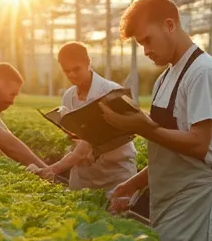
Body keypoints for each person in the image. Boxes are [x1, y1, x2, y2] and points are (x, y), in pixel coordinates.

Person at [102, 0, 212, 241]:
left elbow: (199, 144)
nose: (145, 50)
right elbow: (167, 149)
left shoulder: (203, 73)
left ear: (170, 25)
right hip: (170, 194)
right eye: (141, 44)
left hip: (196, 195)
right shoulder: (166, 77)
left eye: (147, 40)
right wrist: (131, 185)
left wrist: (142, 127)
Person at [39, 42, 138, 191]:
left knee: (114, 213)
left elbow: (90, 144)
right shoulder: (68, 97)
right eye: (67, 71)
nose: (71, 75)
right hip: (83, 176)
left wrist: (54, 168)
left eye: (76, 69)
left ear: (88, 63)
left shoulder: (112, 91)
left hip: (116, 174)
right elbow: (78, 139)